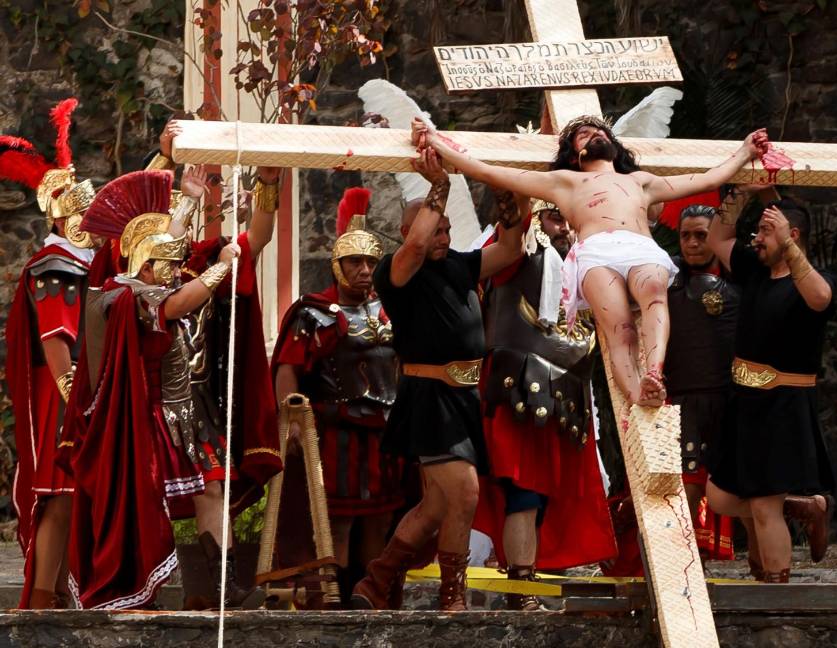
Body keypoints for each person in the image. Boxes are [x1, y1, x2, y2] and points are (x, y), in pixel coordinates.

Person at [411, 115, 770, 406]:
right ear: (575, 155)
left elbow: (706, 179)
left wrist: (744, 152)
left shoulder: (641, 182)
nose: (594, 134)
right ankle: (638, 393)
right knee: (620, 331)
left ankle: (654, 372)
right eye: (583, 134)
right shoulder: (564, 182)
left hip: (641, 247)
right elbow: (488, 172)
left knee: (655, 296)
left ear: (613, 145)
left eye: (599, 131)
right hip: (597, 253)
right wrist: (435, 141)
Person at [60, 165, 279, 609]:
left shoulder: (173, 274)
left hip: (191, 411)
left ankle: (224, 587)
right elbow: (173, 301)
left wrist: (264, 187)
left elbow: (250, 239)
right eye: (169, 261)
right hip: (142, 414)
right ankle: (136, 588)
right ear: (146, 261)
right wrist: (221, 267)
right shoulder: (122, 295)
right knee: (138, 499)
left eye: (179, 260)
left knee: (213, 488)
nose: (177, 267)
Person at [352, 146, 525, 611]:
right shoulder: (395, 272)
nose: (443, 235)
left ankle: (377, 579)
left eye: (447, 228)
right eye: (436, 228)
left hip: (464, 398)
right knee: (465, 492)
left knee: (435, 506)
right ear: (409, 231)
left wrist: (507, 195)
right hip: (429, 397)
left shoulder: (460, 264)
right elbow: (414, 247)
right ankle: (453, 595)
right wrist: (440, 186)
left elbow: (510, 249)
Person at [472, 200, 616, 610]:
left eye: (568, 217)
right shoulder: (516, 252)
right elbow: (511, 216)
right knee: (525, 492)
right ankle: (521, 591)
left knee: (544, 498)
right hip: (519, 390)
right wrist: (524, 190)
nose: (564, 226)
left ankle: (530, 580)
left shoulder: (582, 262)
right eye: (554, 216)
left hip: (565, 394)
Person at [271, 187, 406, 605]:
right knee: (337, 524)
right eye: (355, 262)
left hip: (385, 434)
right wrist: (292, 421)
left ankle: (372, 600)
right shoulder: (312, 312)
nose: (364, 270)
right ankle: (333, 604)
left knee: (382, 521)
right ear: (337, 265)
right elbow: (288, 369)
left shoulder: (391, 310)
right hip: (334, 435)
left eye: (370, 262)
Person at [703, 195, 836, 583]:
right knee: (720, 496)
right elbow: (717, 238)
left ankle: (776, 593)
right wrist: (742, 192)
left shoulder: (814, 280)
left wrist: (789, 248)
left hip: (783, 405)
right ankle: (800, 507)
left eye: (765, 231)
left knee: (763, 506)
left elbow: (821, 299)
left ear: (791, 235)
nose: (756, 238)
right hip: (743, 403)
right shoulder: (755, 270)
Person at [1, 98, 98, 608]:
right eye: (81, 213)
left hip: (77, 390)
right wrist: (74, 398)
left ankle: (59, 592)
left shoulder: (82, 264)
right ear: (62, 219)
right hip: (59, 392)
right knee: (58, 495)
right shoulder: (56, 267)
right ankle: (43, 599)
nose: (90, 222)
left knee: (73, 495)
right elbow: (56, 341)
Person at [664, 203, 742, 563]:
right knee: (685, 490)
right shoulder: (663, 276)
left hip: (731, 401)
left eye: (701, 235)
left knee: (747, 493)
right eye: (686, 235)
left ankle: (767, 579)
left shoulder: (741, 276)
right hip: (681, 401)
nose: (692, 243)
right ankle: (682, 574)